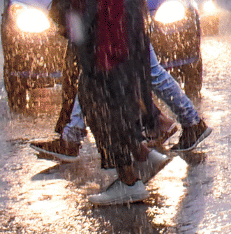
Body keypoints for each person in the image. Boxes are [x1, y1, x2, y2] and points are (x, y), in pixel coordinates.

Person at [54, 0, 158, 206]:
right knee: (121, 96)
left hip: (106, 24)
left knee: (99, 99)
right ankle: (142, 155)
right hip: (129, 21)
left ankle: (127, 179)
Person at [29, 43, 213, 162]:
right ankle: (72, 136)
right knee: (97, 72)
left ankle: (74, 139)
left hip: (118, 14)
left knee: (96, 73)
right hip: (123, 11)